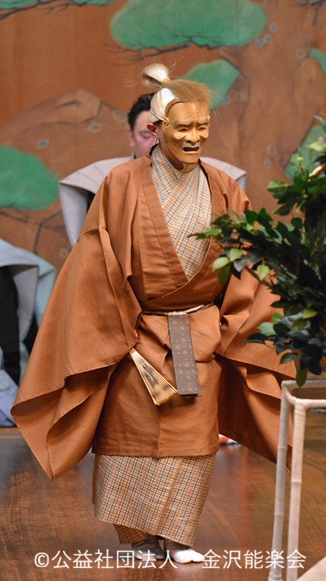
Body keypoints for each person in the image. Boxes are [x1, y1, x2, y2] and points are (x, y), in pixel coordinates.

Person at [12, 63, 295, 565]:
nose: (194, 137)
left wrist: (229, 326)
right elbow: (97, 261)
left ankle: (179, 537)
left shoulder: (224, 187)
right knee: (131, 437)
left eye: (202, 127)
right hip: (134, 331)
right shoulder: (121, 183)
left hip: (200, 330)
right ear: (157, 128)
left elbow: (248, 261)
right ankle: (139, 540)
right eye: (182, 128)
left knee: (192, 436)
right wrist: (116, 329)